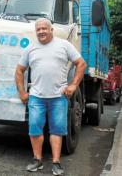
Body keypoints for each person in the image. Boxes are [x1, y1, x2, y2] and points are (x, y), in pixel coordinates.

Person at [15, 18, 86, 175]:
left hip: (58, 97)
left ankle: (56, 162)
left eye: (44, 28)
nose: (41, 31)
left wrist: (73, 85)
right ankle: (37, 160)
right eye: (38, 29)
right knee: (34, 129)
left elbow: (81, 63)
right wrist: (21, 92)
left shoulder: (64, 45)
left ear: (51, 30)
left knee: (57, 130)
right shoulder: (31, 48)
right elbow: (19, 70)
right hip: (36, 97)